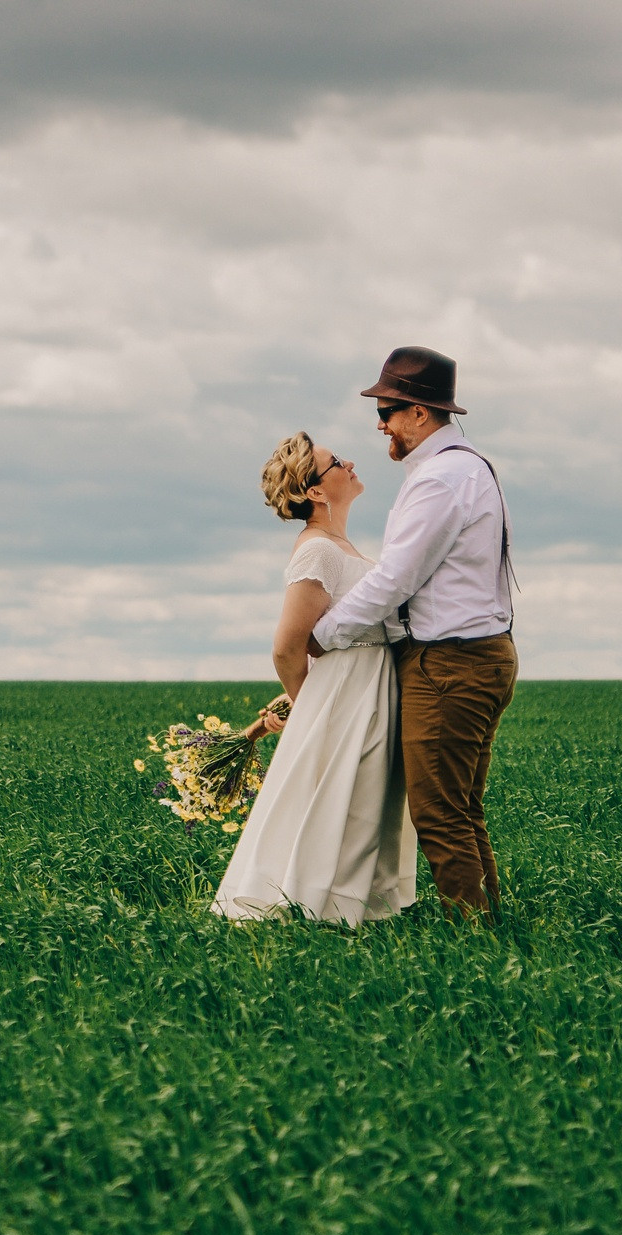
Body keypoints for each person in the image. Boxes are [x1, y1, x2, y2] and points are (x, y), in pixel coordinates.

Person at [308, 346, 516, 919]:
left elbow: (397, 579)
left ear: (421, 414)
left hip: (450, 662)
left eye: (390, 410)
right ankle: (491, 928)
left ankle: (474, 941)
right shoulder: (459, 469)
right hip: (472, 655)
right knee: (460, 808)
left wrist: (322, 637)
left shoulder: (442, 479)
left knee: (439, 813)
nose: (381, 424)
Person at [210, 432, 419, 924]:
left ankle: (359, 909)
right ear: (317, 492)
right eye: (337, 462)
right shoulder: (317, 551)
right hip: (346, 693)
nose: (351, 463)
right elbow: (288, 646)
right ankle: (312, 908)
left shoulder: (341, 546)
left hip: (369, 684)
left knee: (365, 801)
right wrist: (307, 706)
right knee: (337, 802)